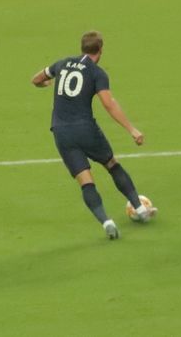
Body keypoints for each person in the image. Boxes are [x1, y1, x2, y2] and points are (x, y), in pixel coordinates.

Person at [31, 30, 157, 240]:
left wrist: (44, 84)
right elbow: (108, 104)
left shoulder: (61, 64)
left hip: (61, 132)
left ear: (82, 47)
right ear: (100, 50)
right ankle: (140, 209)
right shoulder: (97, 73)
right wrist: (131, 129)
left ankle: (106, 221)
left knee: (86, 182)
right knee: (111, 164)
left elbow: (36, 79)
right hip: (85, 129)